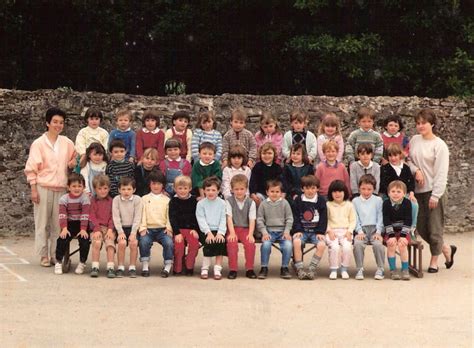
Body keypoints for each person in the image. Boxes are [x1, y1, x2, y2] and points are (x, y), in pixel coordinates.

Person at [24, 107, 76, 267]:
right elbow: (32, 167)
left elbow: (75, 159)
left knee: (58, 224)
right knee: (42, 223)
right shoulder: (39, 143)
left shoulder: (67, 142)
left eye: (61, 122)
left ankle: (56, 254)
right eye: (55, 122)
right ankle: (43, 255)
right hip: (43, 187)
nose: (58, 125)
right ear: (47, 123)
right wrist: (33, 188)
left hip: (61, 188)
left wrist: (74, 163)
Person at [408, 108, 456, 273]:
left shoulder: (439, 145)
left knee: (435, 228)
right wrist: (416, 170)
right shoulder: (414, 140)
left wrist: (436, 195)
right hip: (418, 190)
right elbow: (408, 160)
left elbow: (442, 173)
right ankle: (446, 248)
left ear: (432, 124)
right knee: (421, 228)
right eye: (418, 123)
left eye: (424, 123)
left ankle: (434, 260)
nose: (420, 126)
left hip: (434, 191)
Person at [291, 175, 327, 280]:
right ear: (302, 189)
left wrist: (320, 231)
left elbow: (324, 218)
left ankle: (312, 268)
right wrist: (297, 229)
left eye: (313, 188)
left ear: (317, 188)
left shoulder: (321, 200)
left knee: (321, 244)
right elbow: (295, 216)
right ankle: (299, 268)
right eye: (307, 188)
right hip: (302, 231)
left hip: (316, 232)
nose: (310, 191)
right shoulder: (298, 200)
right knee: (297, 242)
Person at [138, 171, 174, 278]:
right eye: (153, 183)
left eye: (158, 184)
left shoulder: (167, 200)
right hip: (148, 229)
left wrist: (169, 228)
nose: (156, 186)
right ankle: (145, 265)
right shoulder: (144, 199)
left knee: (168, 243)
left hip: (162, 229)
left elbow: (169, 216)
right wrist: (143, 228)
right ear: (149, 184)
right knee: (143, 241)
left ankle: (167, 266)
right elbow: (142, 214)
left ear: (163, 185)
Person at [256, 179, 294, 280]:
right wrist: (264, 233)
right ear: (267, 192)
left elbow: (289, 219)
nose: (274, 194)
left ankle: (284, 268)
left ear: (281, 193)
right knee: (266, 245)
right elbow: (259, 220)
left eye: (277, 192)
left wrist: (287, 232)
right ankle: (264, 267)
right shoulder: (264, 204)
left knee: (288, 245)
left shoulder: (285, 203)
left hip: (282, 232)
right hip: (269, 231)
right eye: (272, 191)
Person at [54, 173, 90, 275]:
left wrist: (83, 229)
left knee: (85, 241)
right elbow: (62, 215)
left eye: (80, 186)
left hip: (82, 223)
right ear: (68, 187)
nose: (77, 188)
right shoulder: (64, 199)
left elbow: (85, 215)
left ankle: (82, 262)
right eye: (74, 186)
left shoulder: (85, 198)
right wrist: (64, 228)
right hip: (69, 223)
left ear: (84, 187)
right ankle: (59, 261)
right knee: (62, 239)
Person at [352, 174, 385, 280]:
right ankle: (359, 269)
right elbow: (355, 218)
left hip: (375, 229)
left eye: (369, 189)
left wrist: (379, 232)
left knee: (378, 245)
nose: (366, 192)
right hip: (362, 230)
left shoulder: (378, 200)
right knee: (358, 244)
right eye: (363, 189)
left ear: (374, 189)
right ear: (359, 188)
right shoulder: (355, 201)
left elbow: (380, 216)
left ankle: (380, 269)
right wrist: (359, 231)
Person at [225, 174, 257, 279]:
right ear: (232, 189)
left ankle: (249, 269)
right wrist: (232, 233)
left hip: (246, 229)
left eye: (242, 189)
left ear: (246, 189)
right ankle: (233, 269)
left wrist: (251, 234)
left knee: (250, 244)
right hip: (233, 228)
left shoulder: (250, 202)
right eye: (236, 189)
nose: (239, 191)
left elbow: (252, 219)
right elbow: (229, 217)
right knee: (232, 243)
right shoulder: (229, 201)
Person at [195, 177, 227, 280]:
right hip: (205, 230)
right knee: (208, 242)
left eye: (213, 190)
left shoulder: (222, 203)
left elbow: (223, 219)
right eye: (208, 190)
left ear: (218, 191)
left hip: (219, 230)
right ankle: (205, 268)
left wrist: (221, 233)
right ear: (204, 190)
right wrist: (208, 232)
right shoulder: (201, 204)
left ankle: (217, 268)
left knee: (220, 242)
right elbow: (201, 219)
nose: (210, 192)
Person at [169, 175, 200, 276]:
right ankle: (177, 267)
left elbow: (196, 216)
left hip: (191, 229)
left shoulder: (193, 201)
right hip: (178, 230)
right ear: (175, 189)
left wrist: (195, 229)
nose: (182, 191)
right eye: (180, 188)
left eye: (185, 188)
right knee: (179, 245)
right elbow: (172, 218)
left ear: (190, 189)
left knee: (195, 244)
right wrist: (177, 233)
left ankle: (189, 265)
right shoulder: (173, 201)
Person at [112, 177, 142, 278]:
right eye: (123, 189)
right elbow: (116, 217)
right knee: (122, 243)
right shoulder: (116, 200)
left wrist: (133, 233)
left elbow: (138, 217)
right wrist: (120, 232)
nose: (126, 192)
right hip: (121, 227)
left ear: (134, 190)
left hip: (133, 227)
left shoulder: (137, 199)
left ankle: (132, 267)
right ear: (119, 190)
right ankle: (120, 267)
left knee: (134, 243)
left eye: (129, 189)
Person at [326, 180, 355, 280]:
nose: (337, 194)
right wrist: (329, 230)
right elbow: (325, 220)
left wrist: (350, 231)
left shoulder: (349, 205)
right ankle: (333, 269)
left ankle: (344, 269)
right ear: (331, 193)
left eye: (340, 191)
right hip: (332, 231)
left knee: (347, 247)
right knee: (334, 247)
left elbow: (353, 220)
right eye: (334, 192)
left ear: (345, 192)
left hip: (345, 231)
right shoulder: (328, 205)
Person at [383, 180, 412, 280]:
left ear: (404, 193)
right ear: (388, 193)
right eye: (393, 191)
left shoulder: (407, 203)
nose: (395, 194)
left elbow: (408, 220)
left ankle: (405, 269)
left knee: (402, 245)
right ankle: (393, 269)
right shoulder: (386, 203)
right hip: (390, 230)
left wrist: (403, 236)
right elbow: (386, 220)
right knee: (391, 245)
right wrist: (391, 236)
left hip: (403, 230)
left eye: (399, 191)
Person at [88, 175, 116, 278]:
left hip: (109, 229)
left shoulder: (112, 201)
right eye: (99, 188)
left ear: (109, 188)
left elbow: (113, 217)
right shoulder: (92, 201)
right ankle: (95, 266)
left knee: (110, 244)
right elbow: (91, 216)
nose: (103, 191)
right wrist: (97, 229)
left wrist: (110, 230)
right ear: (95, 189)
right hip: (96, 228)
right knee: (97, 242)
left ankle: (110, 267)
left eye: (105, 188)